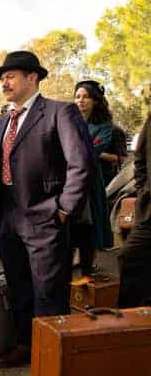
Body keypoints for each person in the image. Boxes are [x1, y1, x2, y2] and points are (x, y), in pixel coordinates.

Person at [0, 51, 92, 367]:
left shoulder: (60, 112)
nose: (4, 82)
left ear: (32, 77)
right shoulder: (3, 120)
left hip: (46, 219)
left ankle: (52, 358)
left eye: (10, 76)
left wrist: (64, 209)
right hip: (7, 219)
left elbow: (81, 163)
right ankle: (25, 345)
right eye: (2, 78)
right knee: (18, 287)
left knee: (49, 291)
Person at [72, 80, 114, 275]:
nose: (80, 100)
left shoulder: (104, 125)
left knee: (91, 223)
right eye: (78, 96)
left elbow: (93, 149)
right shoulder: (68, 120)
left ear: (95, 100)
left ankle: (89, 265)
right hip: (69, 179)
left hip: (91, 180)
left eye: (85, 96)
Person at [118, 113, 151, 308]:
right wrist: (143, 190)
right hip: (148, 209)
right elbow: (139, 159)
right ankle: (129, 324)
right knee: (129, 257)